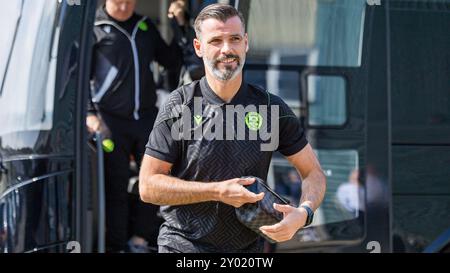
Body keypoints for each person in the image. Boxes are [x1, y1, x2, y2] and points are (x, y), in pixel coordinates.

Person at [139, 4, 326, 253]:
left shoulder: (270, 108)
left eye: (235, 39)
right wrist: (217, 191)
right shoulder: (181, 105)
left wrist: (303, 214)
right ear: (198, 47)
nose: (227, 49)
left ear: (245, 43)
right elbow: (148, 186)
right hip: (182, 248)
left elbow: (314, 173)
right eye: (216, 40)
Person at [87, 0, 182, 253]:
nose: (126, 4)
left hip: (147, 119)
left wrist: (178, 24)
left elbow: (171, 60)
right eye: (120, 0)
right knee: (115, 186)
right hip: (110, 121)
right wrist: (89, 114)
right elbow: (77, 75)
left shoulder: (145, 26)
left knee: (153, 183)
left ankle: (140, 240)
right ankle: (116, 245)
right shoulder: (94, 26)